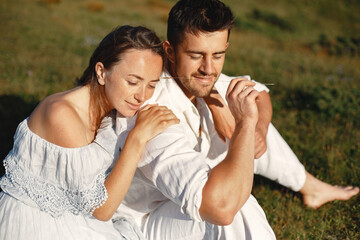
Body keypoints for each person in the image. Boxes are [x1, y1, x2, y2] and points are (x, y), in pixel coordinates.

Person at [107, 0, 359, 239]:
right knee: (237, 203)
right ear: (170, 51)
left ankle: (309, 186)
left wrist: (257, 128)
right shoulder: (152, 108)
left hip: (181, 195)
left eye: (217, 55)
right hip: (146, 222)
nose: (208, 68)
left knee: (245, 107)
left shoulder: (200, 79)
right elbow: (220, 206)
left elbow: (259, 93)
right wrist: (246, 126)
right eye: (196, 55)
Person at [0, 25, 179, 240]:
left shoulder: (111, 107)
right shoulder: (61, 115)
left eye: (151, 85)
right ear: (102, 72)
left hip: (76, 217)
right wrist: (137, 139)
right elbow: (101, 209)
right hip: (35, 224)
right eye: (133, 82)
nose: (142, 96)